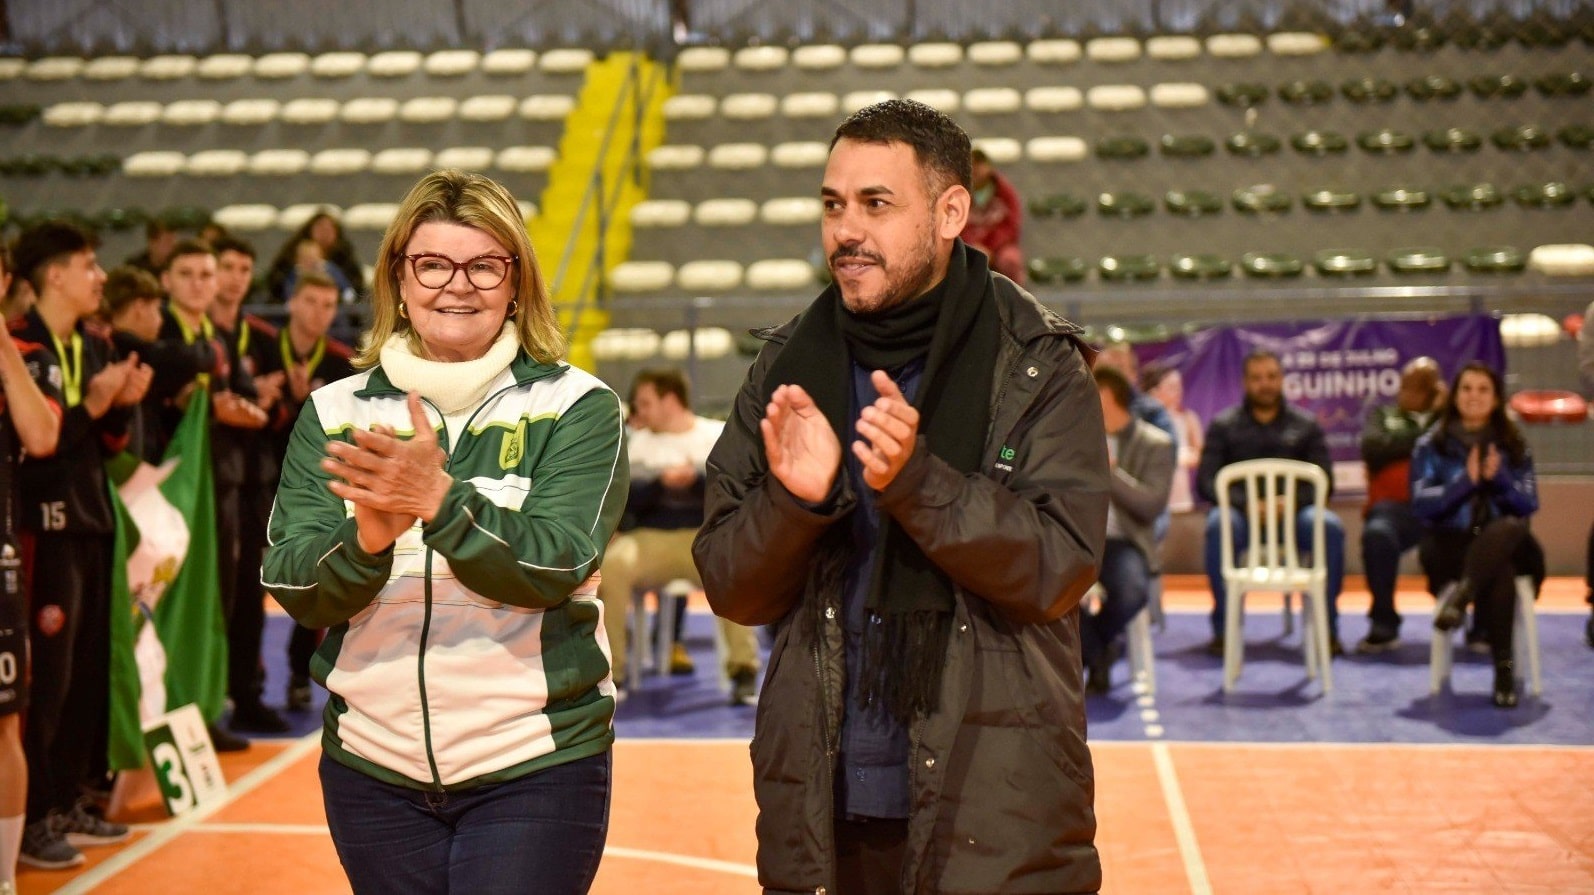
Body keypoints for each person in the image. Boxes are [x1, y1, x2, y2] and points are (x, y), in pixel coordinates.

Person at [693, 100, 1108, 895]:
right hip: (824, 812)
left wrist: (916, 483)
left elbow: (1059, 565)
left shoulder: (1038, 365)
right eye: (832, 204)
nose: (846, 229)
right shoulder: (786, 364)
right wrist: (797, 504)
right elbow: (729, 582)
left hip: (996, 816)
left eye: (876, 204)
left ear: (952, 212)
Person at [261, 169, 627, 894]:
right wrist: (367, 538)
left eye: (484, 264)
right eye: (432, 263)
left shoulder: (579, 406)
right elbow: (293, 579)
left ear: (517, 280)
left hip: (535, 762)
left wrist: (441, 502)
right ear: (398, 277)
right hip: (371, 767)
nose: (457, 285)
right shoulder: (333, 411)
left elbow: (552, 564)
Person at [12, 223, 150, 870]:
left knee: (86, 675)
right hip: (46, 528)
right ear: (55, 275)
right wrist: (91, 410)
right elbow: (33, 457)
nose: (100, 276)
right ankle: (34, 815)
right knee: (48, 680)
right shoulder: (25, 346)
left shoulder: (85, 345)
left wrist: (117, 408)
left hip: (93, 522)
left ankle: (67, 798)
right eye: (89, 265)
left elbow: (101, 444)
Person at [597, 368, 761, 705]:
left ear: (669, 399)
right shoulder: (635, 444)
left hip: (704, 537)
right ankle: (614, 672)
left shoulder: (715, 435)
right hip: (648, 539)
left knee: (733, 565)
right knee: (611, 566)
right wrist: (659, 485)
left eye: (645, 403)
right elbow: (621, 501)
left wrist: (696, 482)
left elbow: (739, 493)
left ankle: (743, 670)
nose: (638, 412)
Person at [248, 272, 355, 712]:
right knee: (246, 588)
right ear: (292, 301)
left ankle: (297, 672)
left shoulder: (340, 363)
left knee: (311, 581)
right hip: (258, 479)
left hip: (312, 489)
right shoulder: (262, 348)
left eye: (328, 305)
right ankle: (248, 676)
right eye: (310, 301)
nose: (319, 313)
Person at [1197, 348, 1346, 657]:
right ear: (1245, 383)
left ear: (1282, 380)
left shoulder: (1306, 425)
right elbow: (1207, 481)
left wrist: (1289, 502)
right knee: (1217, 525)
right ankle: (1224, 629)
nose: (1265, 384)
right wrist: (1246, 503)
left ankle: (1326, 628)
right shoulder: (1224, 426)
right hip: (1243, 519)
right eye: (1257, 378)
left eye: (1271, 377)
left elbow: (1325, 480)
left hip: (1295, 518)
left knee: (1328, 526)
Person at [1412, 362, 1542, 708]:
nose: (1474, 397)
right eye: (1466, 388)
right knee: (1500, 572)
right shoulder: (1431, 444)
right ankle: (1505, 671)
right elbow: (1422, 505)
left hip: (1510, 543)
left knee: (1509, 530)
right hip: (1450, 545)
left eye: (1483, 389)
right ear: (1454, 396)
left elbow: (1528, 502)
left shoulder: (1513, 444)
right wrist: (1463, 484)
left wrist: (1499, 480)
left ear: (1497, 399)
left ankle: (1462, 597)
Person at [0, 242, 63, 893]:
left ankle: (5, 876)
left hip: (2, 558)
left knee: (4, 721)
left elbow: (42, 437)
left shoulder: (23, 357)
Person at [207, 236, 289, 735]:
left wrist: (263, 404)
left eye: (243, 268)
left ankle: (246, 694)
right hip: (214, 477)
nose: (235, 277)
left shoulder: (259, 335)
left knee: (247, 592)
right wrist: (248, 397)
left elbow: (278, 413)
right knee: (214, 594)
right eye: (227, 266)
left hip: (252, 478)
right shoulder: (200, 335)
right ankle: (209, 698)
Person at [1086, 366, 1173, 694]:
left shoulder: (1155, 443)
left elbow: (1150, 506)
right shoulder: (1073, 437)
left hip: (1124, 540)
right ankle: (1100, 653)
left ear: (1108, 397)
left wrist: (1110, 473)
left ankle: (1095, 649)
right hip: (1077, 536)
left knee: (1132, 590)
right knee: (1042, 586)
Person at [1355, 357, 1444, 653]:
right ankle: (1383, 623)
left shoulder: (1448, 421)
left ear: (1434, 392)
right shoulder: (1383, 416)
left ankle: (1482, 627)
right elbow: (1374, 449)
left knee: (1479, 532)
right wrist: (1425, 433)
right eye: (1405, 385)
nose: (1407, 392)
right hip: (1393, 509)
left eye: (1419, 387)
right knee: (1377, 534)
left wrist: (1439, 415)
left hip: (1441, 507)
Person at [101, 267, 166, 462]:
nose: (161, 320)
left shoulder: (104, 344)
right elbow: (178, 357)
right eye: (156, 309)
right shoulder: (128, 349)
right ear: (139, 307)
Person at [958, 147, 1025, 283]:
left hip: (999, 248)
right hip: (966, 246)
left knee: (1010, 260)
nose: (976, 169)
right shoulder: (958, 192)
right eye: (972, 164)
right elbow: (952, 223)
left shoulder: (1005, 192)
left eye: (980, 164)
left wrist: (990, 247)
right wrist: (971, 245)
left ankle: (1014, 300)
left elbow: (1011, 226)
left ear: (989, 166)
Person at [1141, 363, 1202, 513]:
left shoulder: (1188, 418)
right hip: (1150, 497)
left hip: (1181, 499)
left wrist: (1184, 456)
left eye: (1179, 386)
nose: (1178, 392)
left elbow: (1200, 454)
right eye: (1171, 387)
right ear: (1153, 390)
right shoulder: (1142, 419)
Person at [266, 212, 362, 302]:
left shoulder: (340, 261)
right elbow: (280, 286)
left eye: (329, 229)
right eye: (320, 228)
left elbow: (350, 287)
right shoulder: (291, 264)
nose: (324, 233)